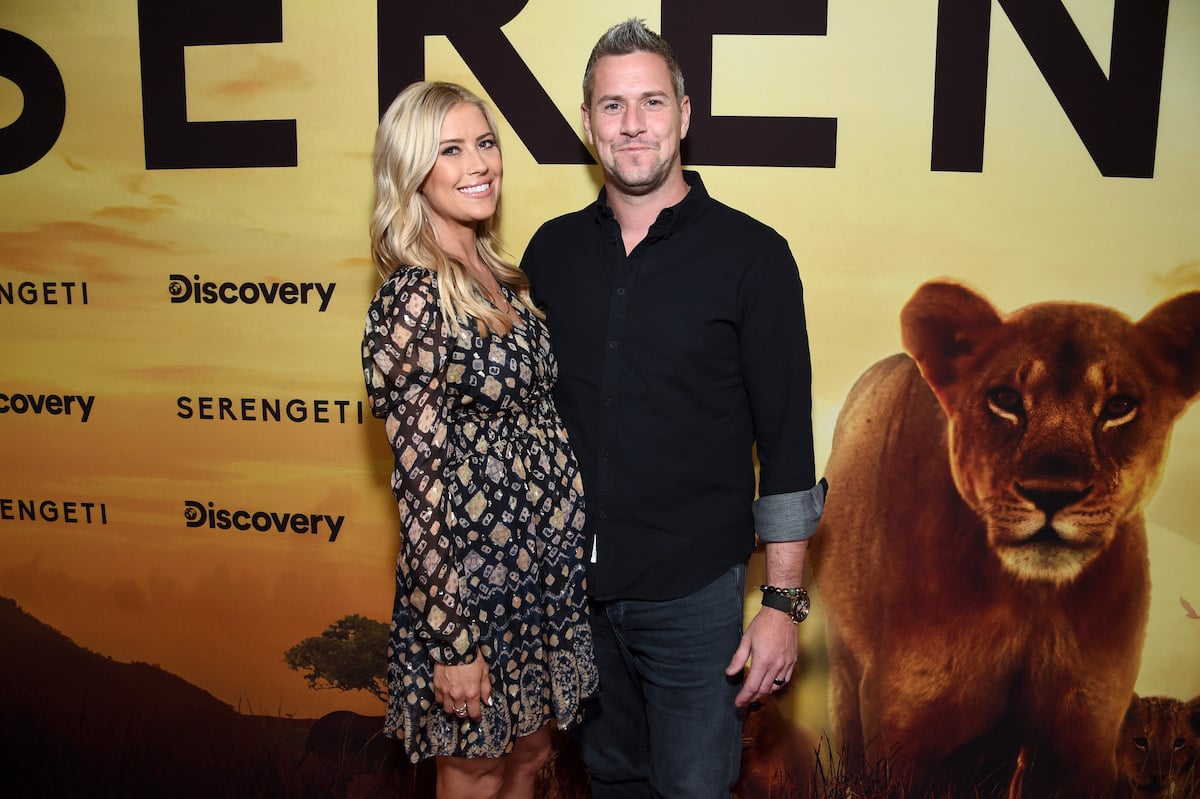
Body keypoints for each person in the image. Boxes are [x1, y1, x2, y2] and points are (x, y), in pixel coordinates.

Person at [519, 19, 825, 799]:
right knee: (611, 778)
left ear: (684, 114)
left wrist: (783, 604)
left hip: (694, 597)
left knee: (694, 790)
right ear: (587, 124)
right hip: (573, 596)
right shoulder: (548, 254)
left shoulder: (753, 256)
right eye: (612, 105)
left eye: (651, 102)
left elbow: (786, 441)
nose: (632, 124)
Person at [362, 80, 599, 799]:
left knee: (529, 758)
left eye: (486, 142)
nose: (479, 163)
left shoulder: (505, 282)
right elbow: (419, 488)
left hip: (537, 583)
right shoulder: (414, 297)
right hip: (470, 593)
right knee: (475, 769)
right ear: (413, 172)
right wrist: (451, 638)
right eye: (451, 149)